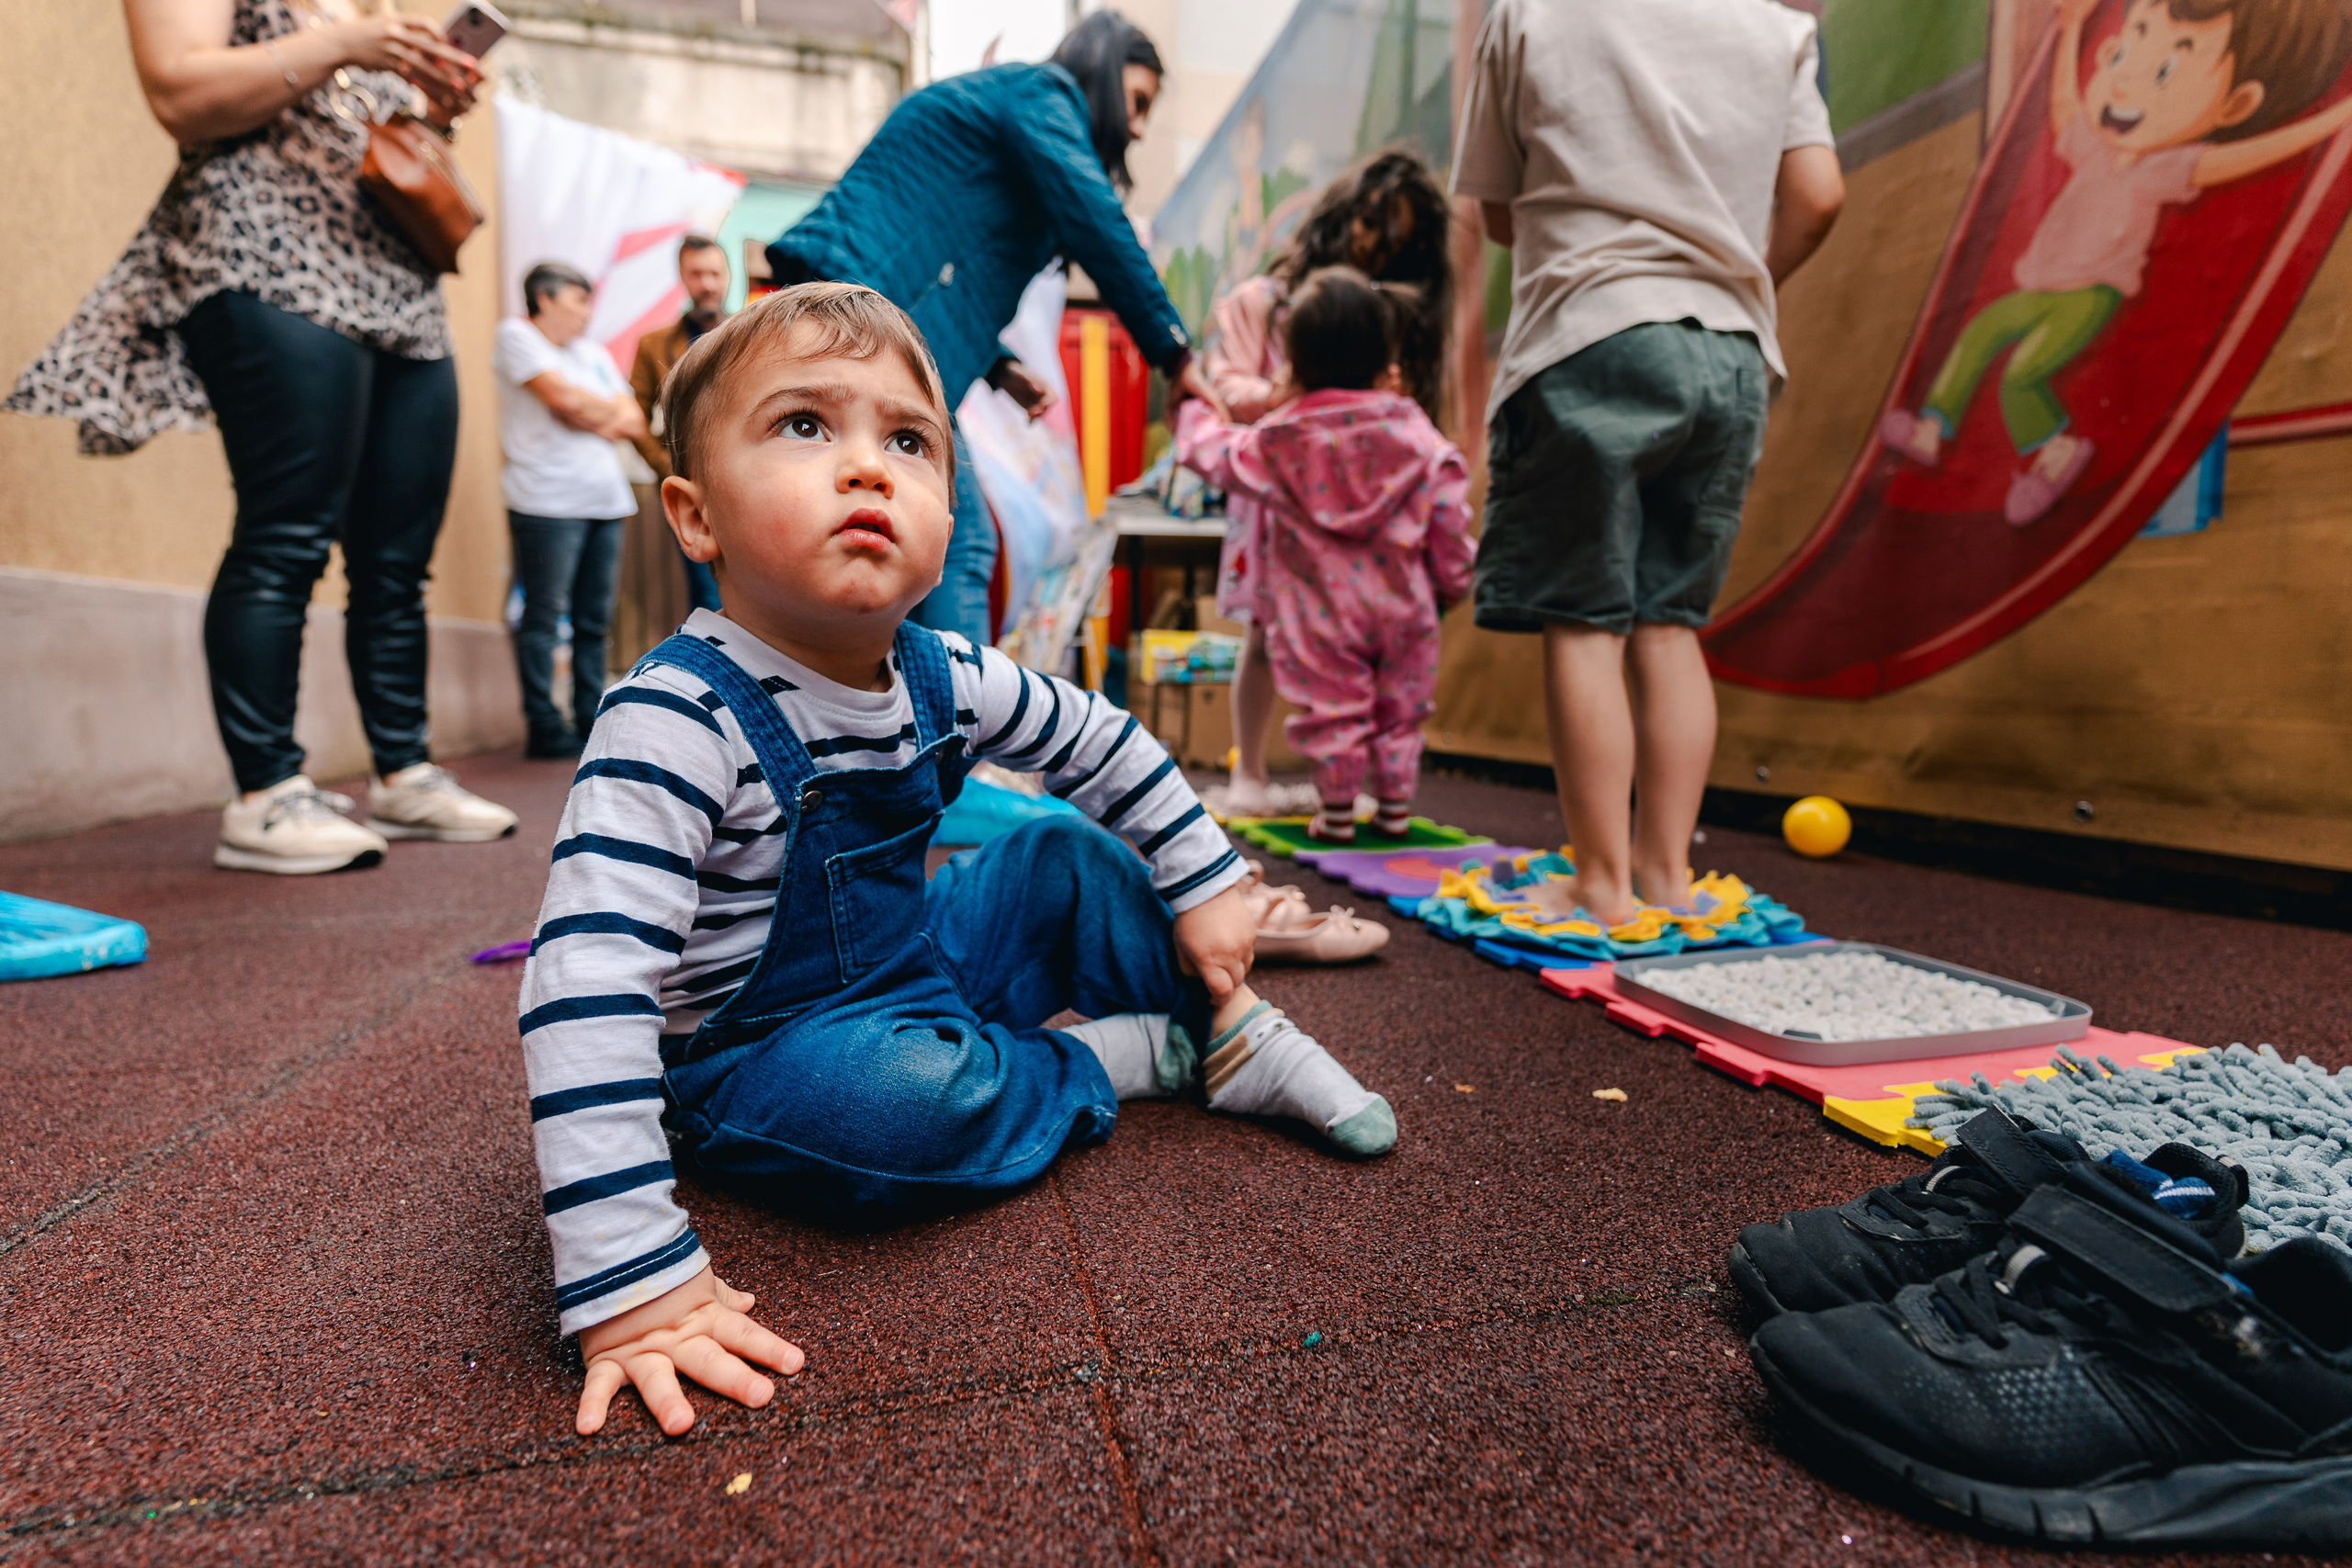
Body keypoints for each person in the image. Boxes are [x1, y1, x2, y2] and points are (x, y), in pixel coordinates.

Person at [519, 282, 1394, 1438]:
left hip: (916, 966)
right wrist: (628, 1272)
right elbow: (581, 983)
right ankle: (1128, 1058)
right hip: (754, 1054)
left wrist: (1207, 880)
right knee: (904, 1110)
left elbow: (1104, 741)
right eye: (803, 427)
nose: (867, 467)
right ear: (696, 518)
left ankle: (1227, 1026)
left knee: (1064, 853)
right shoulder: (676, 716)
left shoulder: (939, 670)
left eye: (908, 441)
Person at [6, 0, 518, 874]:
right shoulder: (348, 20)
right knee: (286, 531)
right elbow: (178, 92)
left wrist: (425, 97)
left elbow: (355, 124)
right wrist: (352, 43)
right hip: (264, 251)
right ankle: (267, 793)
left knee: (397, 555)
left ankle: (402, 771)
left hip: (397, 276)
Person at [1453, 0, 1844, 927]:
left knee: (1585, 621)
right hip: (1729, 349)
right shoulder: (1774, 29)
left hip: (1588, 330)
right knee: (1669, 625)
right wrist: (1744, 283)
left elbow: (1500, 214)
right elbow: (1820, 196)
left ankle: (1598, 881)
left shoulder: (1529, 15)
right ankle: (1666, 876)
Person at [764, 10, 1228, 648]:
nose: (1141, 128)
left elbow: (947, 265)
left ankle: (902, 724)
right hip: (865, 328)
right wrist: (1175, 354)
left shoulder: (1013, 116)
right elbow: (1099, 222)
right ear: (1100, 70)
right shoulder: (1042, 96)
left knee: (901, 542)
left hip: (860, 324)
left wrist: (997, 365)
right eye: (1138, 101)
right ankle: (960, 731)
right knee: (959, 539)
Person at [1879, 0, 2352, 524]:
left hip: (2088, 295)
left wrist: (2339, 115)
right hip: (2041, 284)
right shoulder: (2094, 146)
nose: (2124, 81)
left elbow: (2259, 153)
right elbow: (2065, 106)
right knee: (1978, 333)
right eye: (2125, 51)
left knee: (2022, 373)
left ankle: (2056, 455)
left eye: (2165, 71)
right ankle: (1931, 427)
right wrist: (2071, 32)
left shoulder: (2167, 168)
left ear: (2235, 106)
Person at [1177, 267, 1476, 847]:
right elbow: (1447, 496)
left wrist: (1192, 406)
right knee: (1401, 706)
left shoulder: (1283, 435)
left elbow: (1212, 454)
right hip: (1404, 603)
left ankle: (1338, 811)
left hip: (1320, 611)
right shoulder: (1412, 427)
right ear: (1384, 359)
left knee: (1334, 709)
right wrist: (1453, 575)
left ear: (1292, 363)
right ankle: (1393, 806)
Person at [1201, 151, 1454, 818]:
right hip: (1279, 494)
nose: (1377, 244)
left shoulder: (1381, 314)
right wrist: (1293, 398)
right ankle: (1250, 770)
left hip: (1354, 511)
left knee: (1369, 655)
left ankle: (1360, 784)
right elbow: (1228, 383)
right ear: (1345, 212)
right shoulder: (1266, 301)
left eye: (1398, 238)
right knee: (1264, 627)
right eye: (1372, 222)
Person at [494, 262, 646, 760]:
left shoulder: (592, 353)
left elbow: (632, 419)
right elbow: (560, 399)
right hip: (545, 502)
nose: (586, 311)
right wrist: (591, 410)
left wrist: (588, 411)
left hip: (606, 501)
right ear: (544, 299)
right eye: (578, 299)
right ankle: (543, 724)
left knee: (594, 620)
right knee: (543, 616)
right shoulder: (517, 335)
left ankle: (588, 717)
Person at [628, 233, 730, 612]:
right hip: (690, 488)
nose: (708, 283)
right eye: (697, 274)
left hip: (746, 478)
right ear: (683, 279)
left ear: (727, 276)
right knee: (706, 592)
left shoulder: (752, 337)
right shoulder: (654, 345)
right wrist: (666, 467)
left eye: (715, 273)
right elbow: (632, 415)